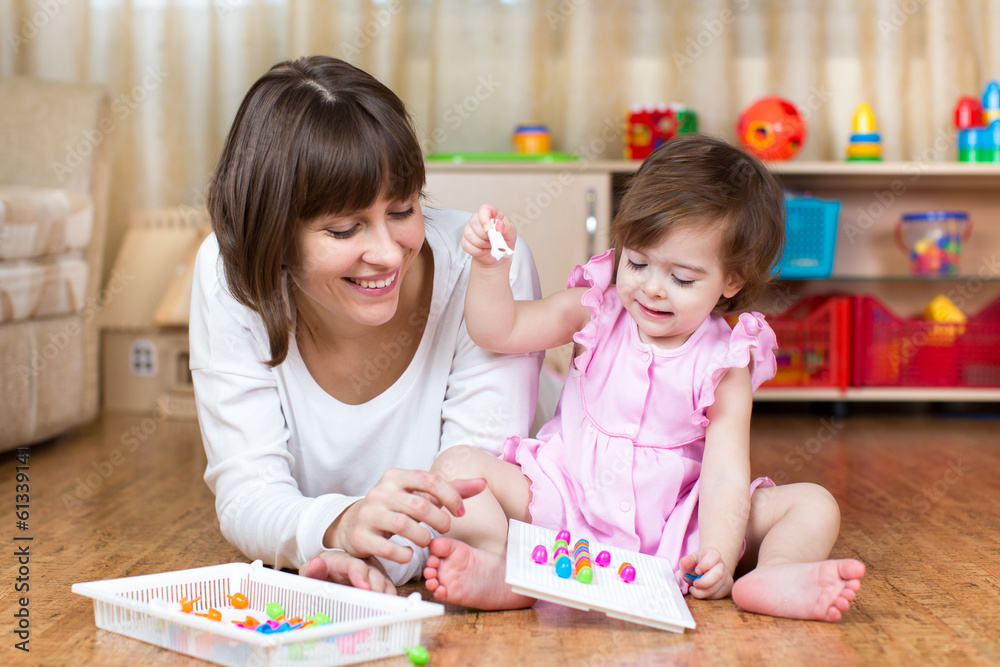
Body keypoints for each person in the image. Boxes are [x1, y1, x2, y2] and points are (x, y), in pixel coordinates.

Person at [423, 135, 866, 621]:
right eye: (636, 263)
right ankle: (504, 566)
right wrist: (490, 268)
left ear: (732, 280)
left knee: (814, 504)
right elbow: (499, 330)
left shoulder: (726, 361)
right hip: (564, 496)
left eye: (682, 278)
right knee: (457, 466)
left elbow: (722, 473)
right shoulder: (596, 308)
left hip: (678, 522)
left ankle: (774, 573)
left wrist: (716, 550)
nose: (651, 288)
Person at [189, 55, 542, 594]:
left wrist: (371, 553)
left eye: (402, 211)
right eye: (344, 229)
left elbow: (472, 504)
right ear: (272, 234)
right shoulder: (229, 274)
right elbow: (247, 493)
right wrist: (339, 530)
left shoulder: (489, 269)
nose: (387, 253)